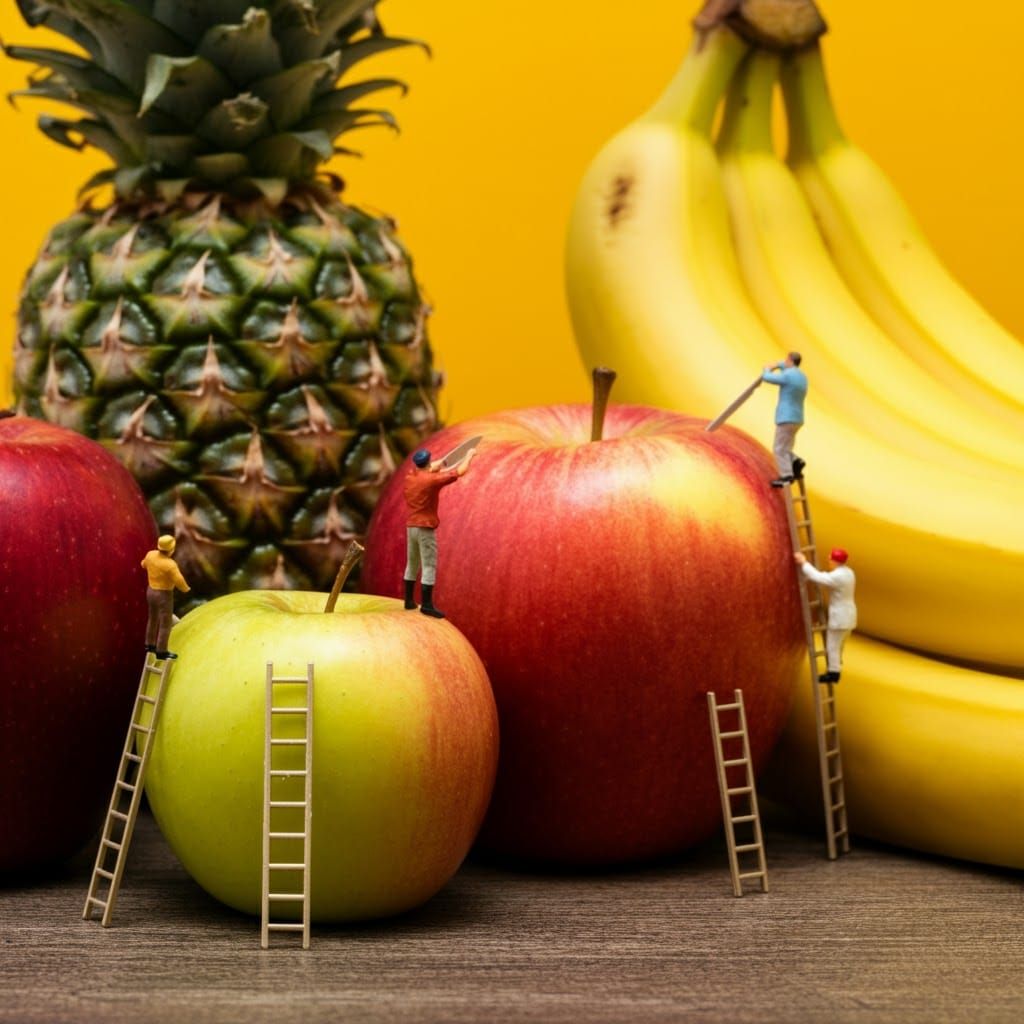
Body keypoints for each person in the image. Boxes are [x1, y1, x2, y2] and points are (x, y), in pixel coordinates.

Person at [403, 446, 476, 618]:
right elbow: (459, 471)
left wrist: (439, 463)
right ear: (428, 462)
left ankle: (408, 600)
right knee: (429, 565)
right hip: (425, 528)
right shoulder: (432, 480)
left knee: (412, 564)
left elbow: (431, 468)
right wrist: (469, 455)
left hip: (411, 527)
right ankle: (427, 605)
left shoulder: (410, 476)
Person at [794, 548, 856, 683]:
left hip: (840, 617)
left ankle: (833, 673)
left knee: (832, 646)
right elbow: (826, 577)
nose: (829, 562)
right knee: (839, 645)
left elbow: (819, 577)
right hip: (849, 616)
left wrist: (804, 563)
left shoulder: (838, 576)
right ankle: (837, 665)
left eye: (830, 560)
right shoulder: (849, 573)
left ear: (835, 561)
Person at [141, 535, 190, 660]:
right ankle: (161, 650)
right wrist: (185, 588)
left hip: (150, 591)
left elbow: (143, 564)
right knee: (165, 623)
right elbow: (179, 580)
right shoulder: (170, 565)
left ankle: (149, 644)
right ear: (171, 550)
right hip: (164, 595)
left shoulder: (150, 555)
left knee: (152, 619)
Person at [762, 352, 807, 487]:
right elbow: (786, 367)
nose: (784, 361)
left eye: (786, 359)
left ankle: (786, 476)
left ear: (791, 361)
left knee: (779, 449)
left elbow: (767, 377)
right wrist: (779, 364)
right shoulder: (801, 376)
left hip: (786, 417)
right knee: (786, 447)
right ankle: (797, 462)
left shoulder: (787, 376)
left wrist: (767, 369)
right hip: (797, 418)